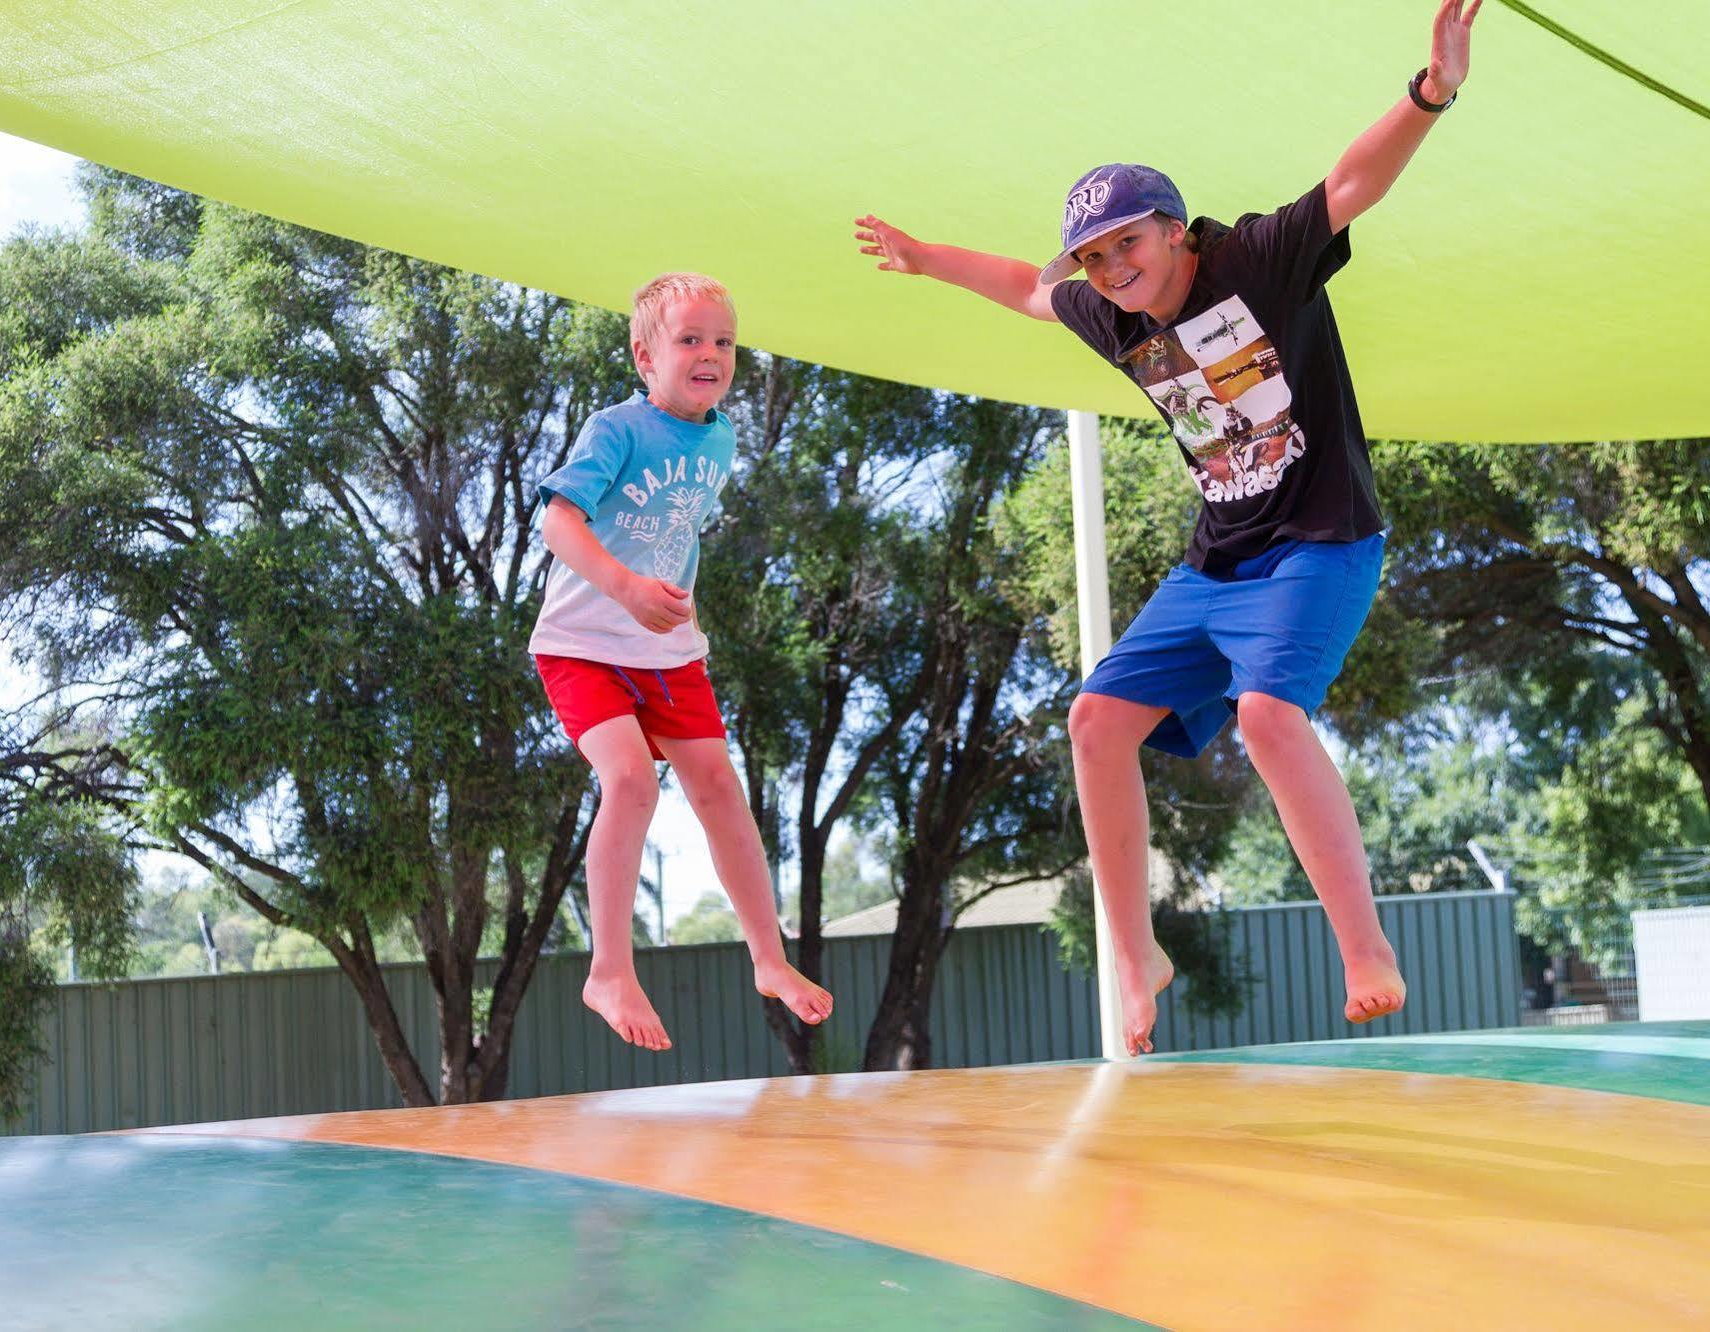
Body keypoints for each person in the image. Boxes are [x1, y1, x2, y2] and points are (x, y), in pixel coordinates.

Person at [853, 0, 1483, 1053]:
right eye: (1092, 258)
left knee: (1271, 718)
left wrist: (1430, 92)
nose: (1109, 271)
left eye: (1126, 245)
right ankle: (1135, 950)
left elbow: (1351, 184)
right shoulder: (1107, 313)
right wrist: (924, 256)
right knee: (1096, 724)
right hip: (1218, 561)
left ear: (1175, 233)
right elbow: (1021, 285)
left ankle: (1363, 944)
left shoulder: (1256, 261)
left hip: (1320, 542)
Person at [531, 272, 834, 1051]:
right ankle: (608, 970)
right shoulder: (617, 428)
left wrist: (665, 602)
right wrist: (626, 587)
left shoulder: (721, 437)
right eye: (690, 339)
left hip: (666, 652)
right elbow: (558, 526)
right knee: (629, 782)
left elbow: (677, 529)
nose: (711, 354)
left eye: (724, 341)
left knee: (719, 790)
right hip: (583, 645)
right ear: (644, 354)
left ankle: (768, 959)